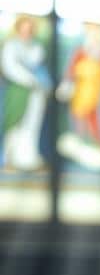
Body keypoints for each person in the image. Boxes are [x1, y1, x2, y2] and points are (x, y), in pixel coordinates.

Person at [1, 15, 50, 172]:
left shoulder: (36, 47)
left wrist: (42, 83)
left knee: (31, 125)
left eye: (30, 29)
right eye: (24, 28)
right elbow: (10, 67)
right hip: (18, 92)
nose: (26, 32)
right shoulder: (11, 46)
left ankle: (27, 159)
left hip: (35, 95)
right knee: (15, 124)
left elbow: (40, 68)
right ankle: (10, 158)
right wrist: (30, 79)